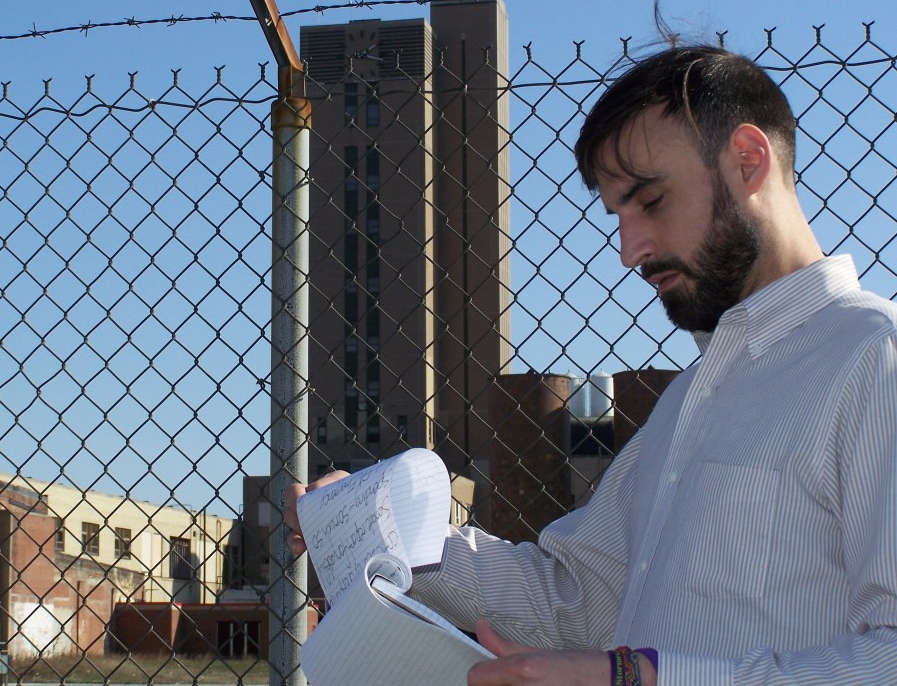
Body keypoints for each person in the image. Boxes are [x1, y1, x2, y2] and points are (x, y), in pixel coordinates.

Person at [285, 45, 897, 685]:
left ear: (748, 161)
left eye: (651, 201)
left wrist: (638, 679)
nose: (630, 251)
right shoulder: (693, 398)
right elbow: (577, 601)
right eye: (618, 217)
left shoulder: (870, 358)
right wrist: (379, 532)